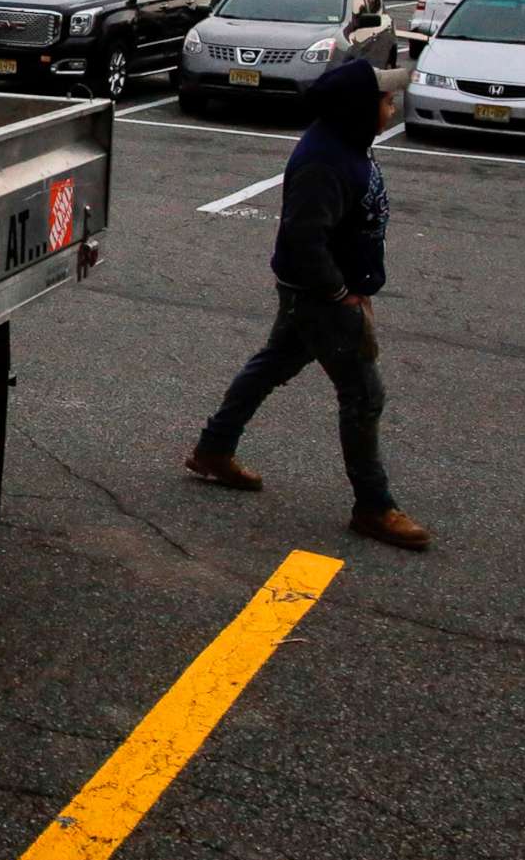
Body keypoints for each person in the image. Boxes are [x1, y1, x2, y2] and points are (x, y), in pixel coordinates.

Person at [184, 57, 433, 550]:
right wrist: (339, 293)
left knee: (272, 364)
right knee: (363, 396)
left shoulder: (347, 144)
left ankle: (214, 449)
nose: (392, 106)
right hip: (320, 297)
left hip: (319, 293)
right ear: (358, 110)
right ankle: (374, 506)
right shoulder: (324, 160)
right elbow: (304, 236)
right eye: (385, 101)